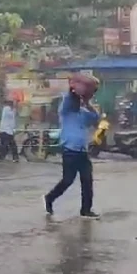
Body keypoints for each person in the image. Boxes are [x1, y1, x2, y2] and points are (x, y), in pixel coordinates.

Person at [43, 87, 100, 219]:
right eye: (74, 100)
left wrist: (88, 103)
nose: (75, 103)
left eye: (77, 101)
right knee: (67, 180)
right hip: (69, 152)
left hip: (82, 153)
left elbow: (96, 118)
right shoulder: (65, 112)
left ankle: (86, 210)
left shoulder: (83, 113)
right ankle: (49, 198)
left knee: (87, 182)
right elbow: (68, 98)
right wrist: (73, 90)